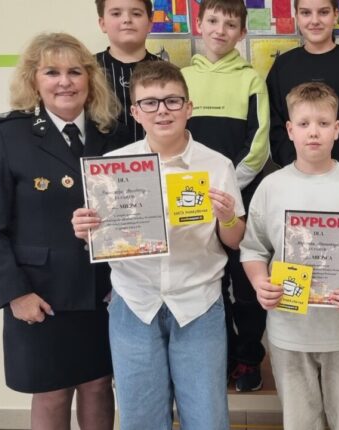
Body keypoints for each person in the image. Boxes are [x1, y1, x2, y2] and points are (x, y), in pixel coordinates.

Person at [72, 61, 246, 429]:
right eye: (149, 103)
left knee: (208, 418)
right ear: (136, 112)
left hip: (198, 302)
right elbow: (101, 238)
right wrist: (87, 230)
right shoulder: (112, 167)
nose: (162, 111)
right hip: (134, 303)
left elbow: (234, 240)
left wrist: (229, 217)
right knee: (141, 420)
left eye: (172, 101)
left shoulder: (216, 165)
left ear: (188, 107)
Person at [0, 32, 123, 430]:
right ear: (33, 80)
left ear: (90, 78)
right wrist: (14, 294)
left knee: (98, 385)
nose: (65, 82)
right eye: (52, 72)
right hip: (40, 293)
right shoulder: (8, 133)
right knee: (52, 391)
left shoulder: (111, 133)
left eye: (75, 72)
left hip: (103, 291)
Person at [240, 82, 339, 430]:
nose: (314, 132)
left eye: (323, 123)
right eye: (304, 123)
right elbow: (252, 248)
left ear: (337, 129)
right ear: (290, 130)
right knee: (299, 422)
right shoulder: (271, 187)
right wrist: (260, 282)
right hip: (289, 331)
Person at [181, 0, 272, 391]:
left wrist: (226, 187)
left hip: (239, 199)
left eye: (230, 24)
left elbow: (259, 143)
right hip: (188, 200)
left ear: (242, 33)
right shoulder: (182, 77)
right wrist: (197, 190)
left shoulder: (251, 80)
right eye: (213, 21)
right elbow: (171, 136)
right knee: (207, 282)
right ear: (198, 24)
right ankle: (222, 355)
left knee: (245, 284)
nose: (220, 30)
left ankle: (248, 358)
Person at [266, 0, 339, 173]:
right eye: (306, 13)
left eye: (323, 12)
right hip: (296, 178)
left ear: (335, 15)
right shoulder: (282, 66)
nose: (315, 20)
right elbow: (274, 126)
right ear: (297, 17)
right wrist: (296, 169)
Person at [94, 0, 161, 146]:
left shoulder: (167, 71)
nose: (127, 20)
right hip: (102, 157)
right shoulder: (87, 70)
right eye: (116, 14)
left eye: (136, 14)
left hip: (159, 156)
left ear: (150, 23)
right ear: (103, 23)